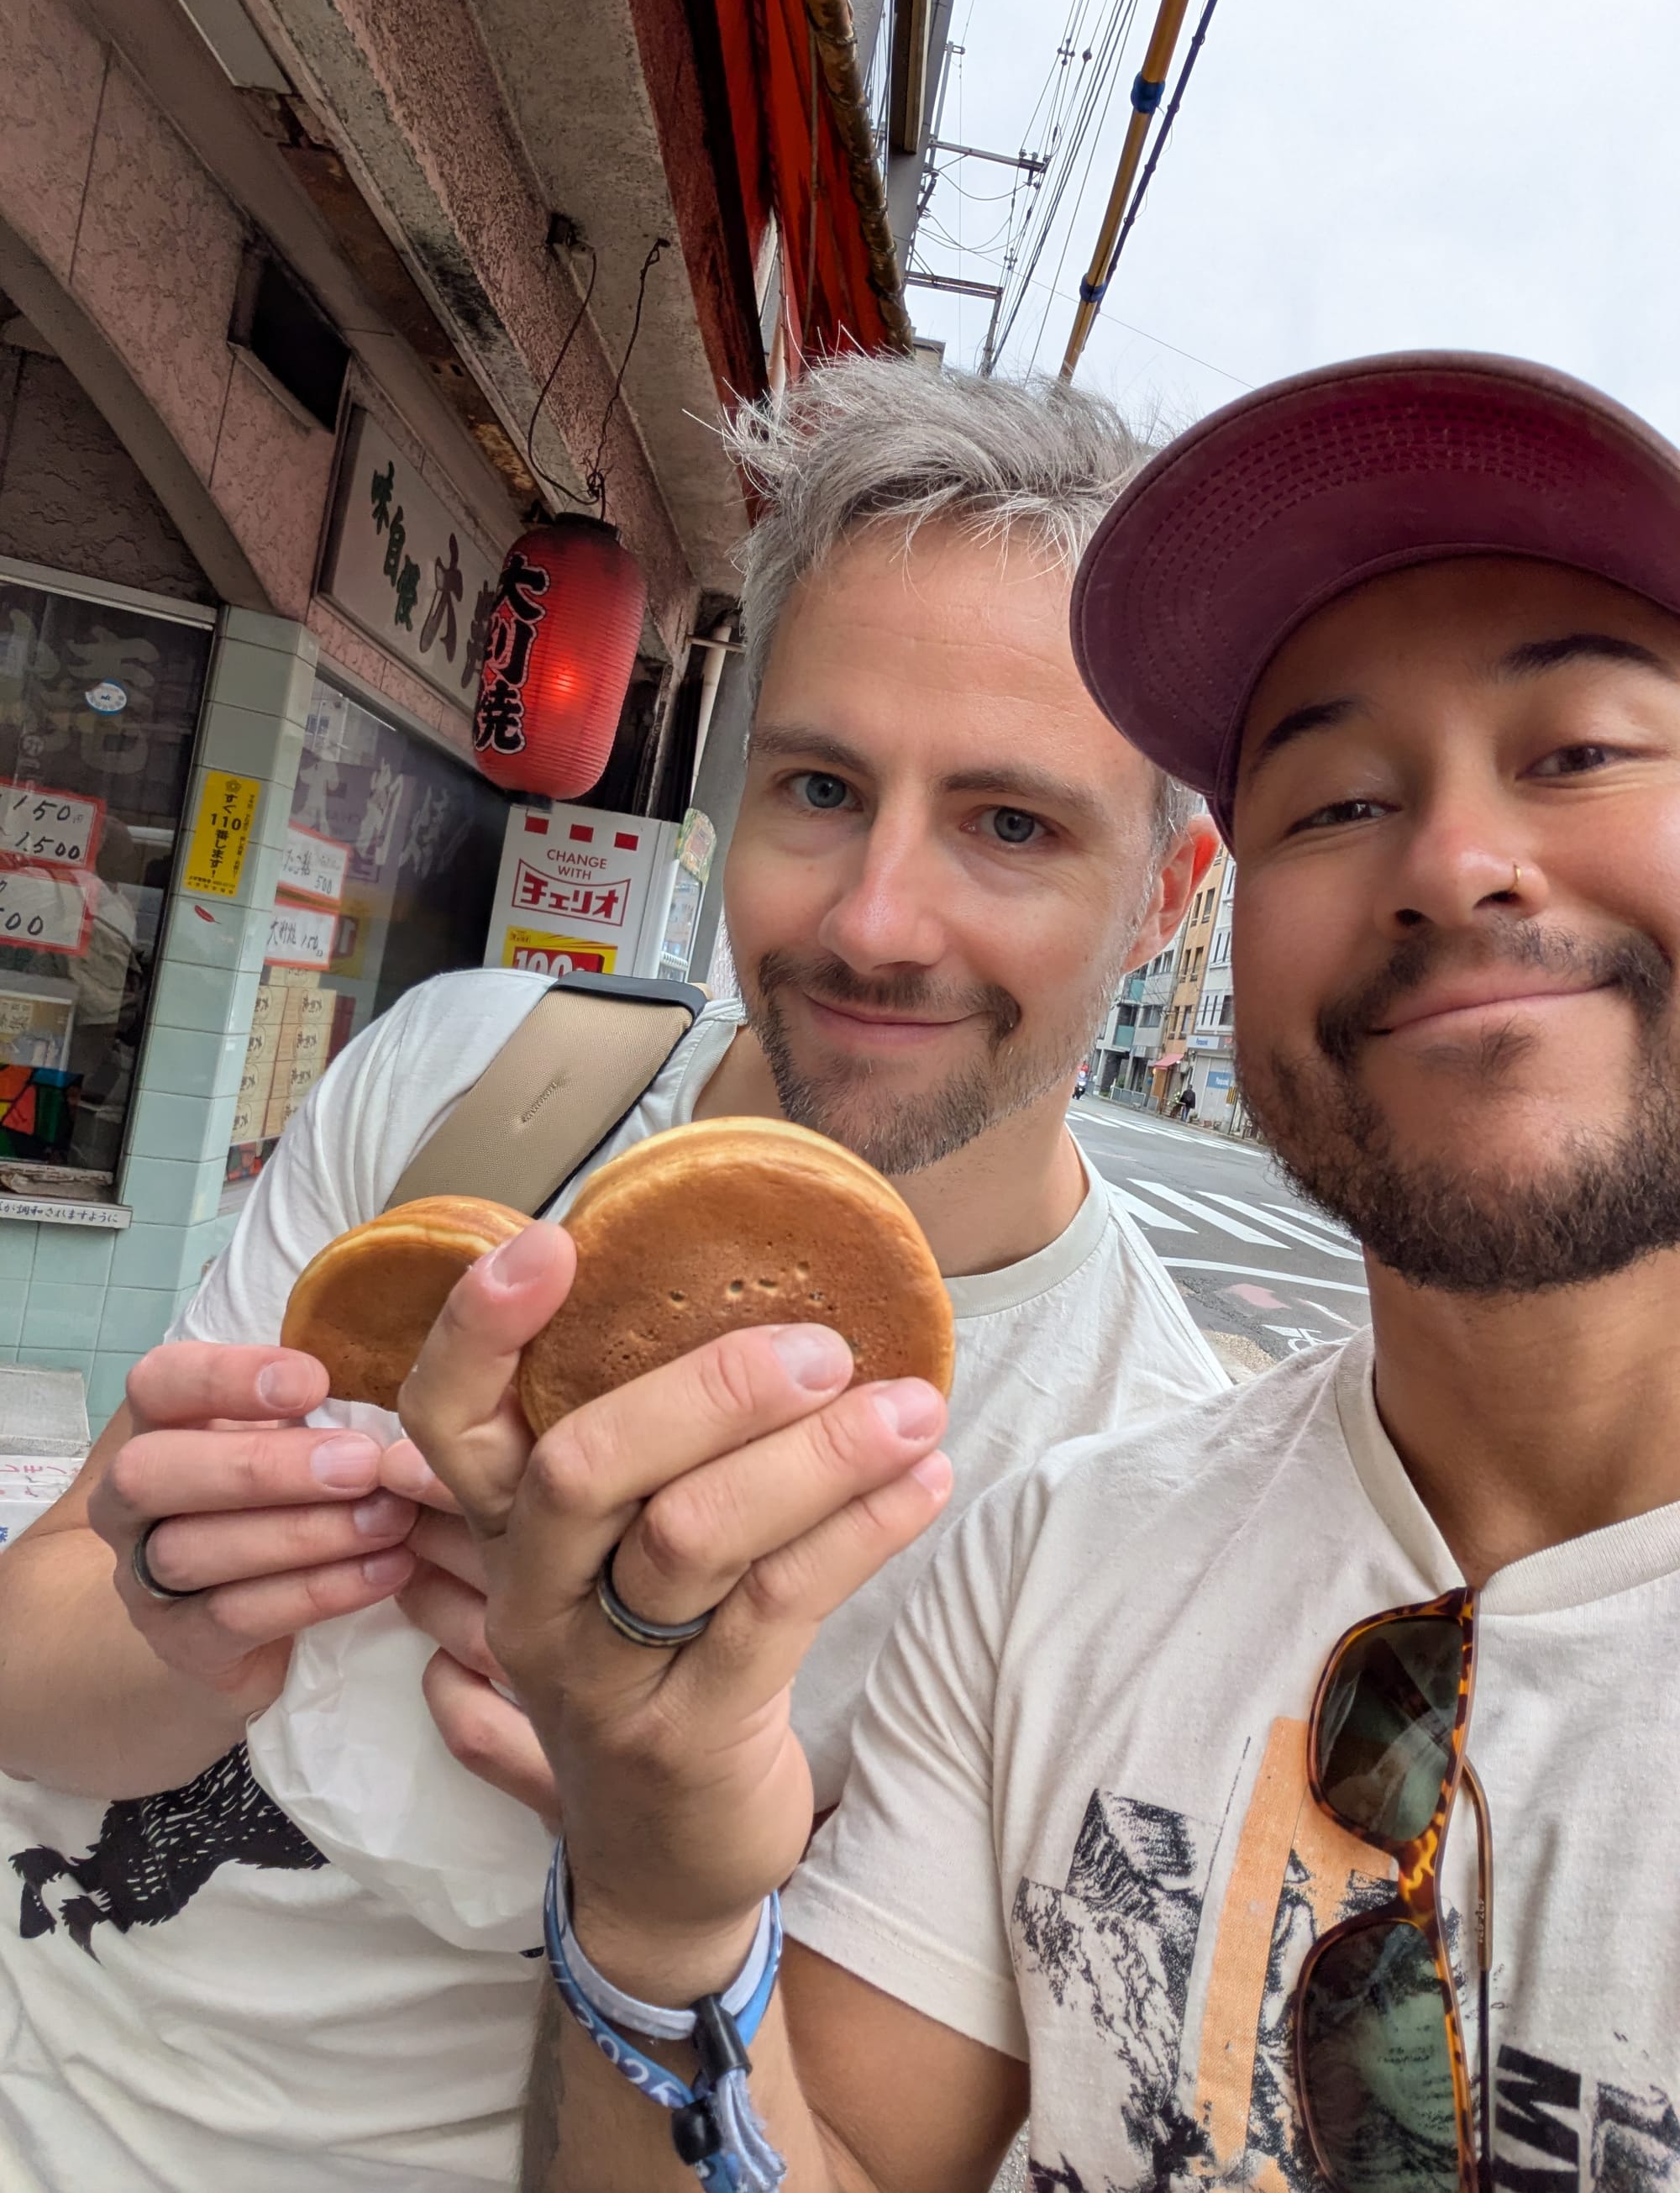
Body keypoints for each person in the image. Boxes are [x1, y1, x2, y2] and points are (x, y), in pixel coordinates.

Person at [422, 350, 1680, 2191]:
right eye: (1332, 798)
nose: (1455, 861)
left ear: (1159, 903)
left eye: (1575, 751)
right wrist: (660, 1893)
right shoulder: (1053, 1565)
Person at [0, 355, 1226, 2191]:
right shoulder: (479, 1081)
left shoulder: (1141, 1492)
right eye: (822, 786)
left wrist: (662, 1849)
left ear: (1166, 894)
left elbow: (843, 2154)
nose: (873, 919)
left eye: (1010, 824)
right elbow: (33, 1662)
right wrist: (186, 1627)